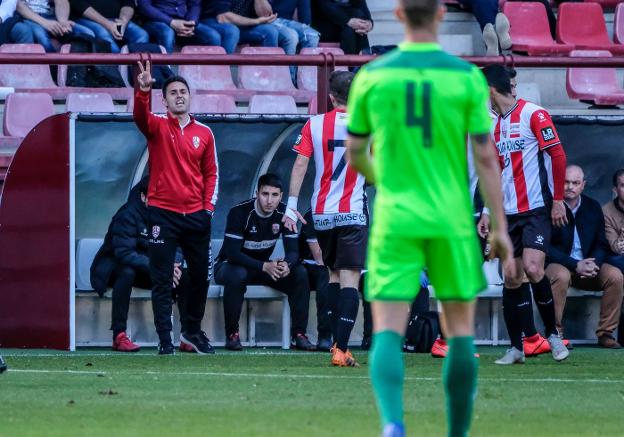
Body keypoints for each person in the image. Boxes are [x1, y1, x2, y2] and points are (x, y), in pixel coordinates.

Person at [345, 1, 513, 435]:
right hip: (451, 217)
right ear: (440, 15)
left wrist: (391, 181)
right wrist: (499, 225)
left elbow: (356, 153)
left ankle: (393, 425)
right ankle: (457, 432)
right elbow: (486, 158)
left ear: (398, 15)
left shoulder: (373, 76)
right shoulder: (465, 78)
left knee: (386, 327)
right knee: (459, 332)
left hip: (396, 216)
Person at [480, 65, 570, 365]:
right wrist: (486, 211)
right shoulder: (493, 125)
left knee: (533, 268)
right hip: (506, 214)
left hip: (534, 209)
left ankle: (553, 335)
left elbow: (557, 156)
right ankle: (517, 347)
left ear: (491, 89)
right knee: (510, 276)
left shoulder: (534, 114)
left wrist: (557, 200)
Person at [134, 63, 219, 355]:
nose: (179, 96)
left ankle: (191, 332)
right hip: (163, 214)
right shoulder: (156, 126)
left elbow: (212, 173)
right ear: (165, 100)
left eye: (183, 92)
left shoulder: (205, 133)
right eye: (173, 93)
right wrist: (143, 90)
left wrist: (207, 209)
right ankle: (164, 339)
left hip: (196, 216)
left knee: (200, 276)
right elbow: (139, 117)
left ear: (189, 97)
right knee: (161, 279)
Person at [285, 70, 368, 367]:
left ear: (331, 97)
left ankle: (335, 342)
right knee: (351, 280)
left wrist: (291, 206)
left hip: (321, 215)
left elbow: (300, 164)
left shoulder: (315, 124)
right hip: (352, 212)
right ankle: (341, 349)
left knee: (333, 274)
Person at [214, 174, 315, 351]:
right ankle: (232, 334)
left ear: (281, 196)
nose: (269, 200)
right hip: (229, 267)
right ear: (257, 193)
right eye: (265, 194)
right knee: (238, 274)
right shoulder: (240, 212)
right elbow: (232, 254)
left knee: (299, 273)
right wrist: (264, 266)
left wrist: (286, 265)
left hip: (262, 268)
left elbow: (293, 252)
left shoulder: (285, 214)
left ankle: (299, 334)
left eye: (274, 195)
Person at [90, 177, 189, 352]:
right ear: (144, 197)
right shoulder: (126, 215)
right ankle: (119, 335)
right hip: (113, 269)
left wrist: (175, 264)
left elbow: (179, 245)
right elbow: (124, 253)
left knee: (185, 276)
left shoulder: (166, 215)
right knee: (127, 272)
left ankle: (187, 335)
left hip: (147, 269)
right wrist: (161, 267)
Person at [545, 165, 623, 349]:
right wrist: (574, 264)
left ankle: (605, 334)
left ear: (583, 185)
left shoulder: (592, 206)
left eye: (575, 183)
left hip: (588, 266)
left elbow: (601, 242)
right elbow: (544, 246)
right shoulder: (549, 207)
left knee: (615, 276)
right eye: (565, 182)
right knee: (561, 275)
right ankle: (556, 334)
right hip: (558, 264)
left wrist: (593, 264)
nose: (570, 186)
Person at [299, 209, 332, 351]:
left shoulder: (351, 210)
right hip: (313, 265)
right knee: (326, 275)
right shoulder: (312, 215)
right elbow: (319, 257)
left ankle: (369, 337)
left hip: (339, 263)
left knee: (367, 278)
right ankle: (324, 336)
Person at [138, 0, 222, 53]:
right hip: (156, 21)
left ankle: (207, 78)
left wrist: (191, 22)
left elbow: (195, 4)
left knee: (213, 37)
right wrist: (171, 22)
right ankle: (167, 77)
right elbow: (144, 6)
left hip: (182, 20)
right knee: (167, 33)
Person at [70, 0, 149, 53]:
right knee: (103, 33)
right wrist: (107, 24)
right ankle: (118, 70)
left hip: (116, 19)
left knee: (141, 34)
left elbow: (128, 3)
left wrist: (123, 21)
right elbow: (78, 4)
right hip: (86, 19)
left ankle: (136, 71)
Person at [200, 0, 279, 52]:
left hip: (242, 26)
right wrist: (256, 21)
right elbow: (223, 17)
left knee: (270, 31)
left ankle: (267, 75)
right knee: (231, 31)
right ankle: (224, 73)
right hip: (212, 22)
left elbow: (264, 15)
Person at [16, 0, 94, 52]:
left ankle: (79, 72)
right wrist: (46, 23)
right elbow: (18, 6)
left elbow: (61, 1)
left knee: (87, 33)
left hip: (49, 15)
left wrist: (63, 22)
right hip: (28, 17)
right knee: (41, 37)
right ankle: (53, 72)